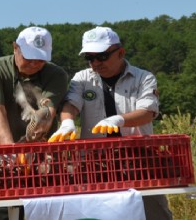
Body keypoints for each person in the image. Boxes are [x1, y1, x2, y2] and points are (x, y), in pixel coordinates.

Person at [49, 26, 171, 220]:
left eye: (102, 56)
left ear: (120, 52)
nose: (95, 63)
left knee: (153, 213)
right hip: (95, 162)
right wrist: (67, 122)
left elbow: (148, 112)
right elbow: (71, 104)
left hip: (139, 161)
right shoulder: (82, 79)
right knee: (98, 214)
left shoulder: (143, 78)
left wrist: (120, 119)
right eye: (90, 58)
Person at [0, 26, 68, 220]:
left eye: (41, 58)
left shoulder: (56, 75)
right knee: (2, 213)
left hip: (40, 163)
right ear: (15, 48)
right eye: (29, 57)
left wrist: (30, 147)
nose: (35, 63)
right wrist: (11, 152)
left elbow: (47, 113)